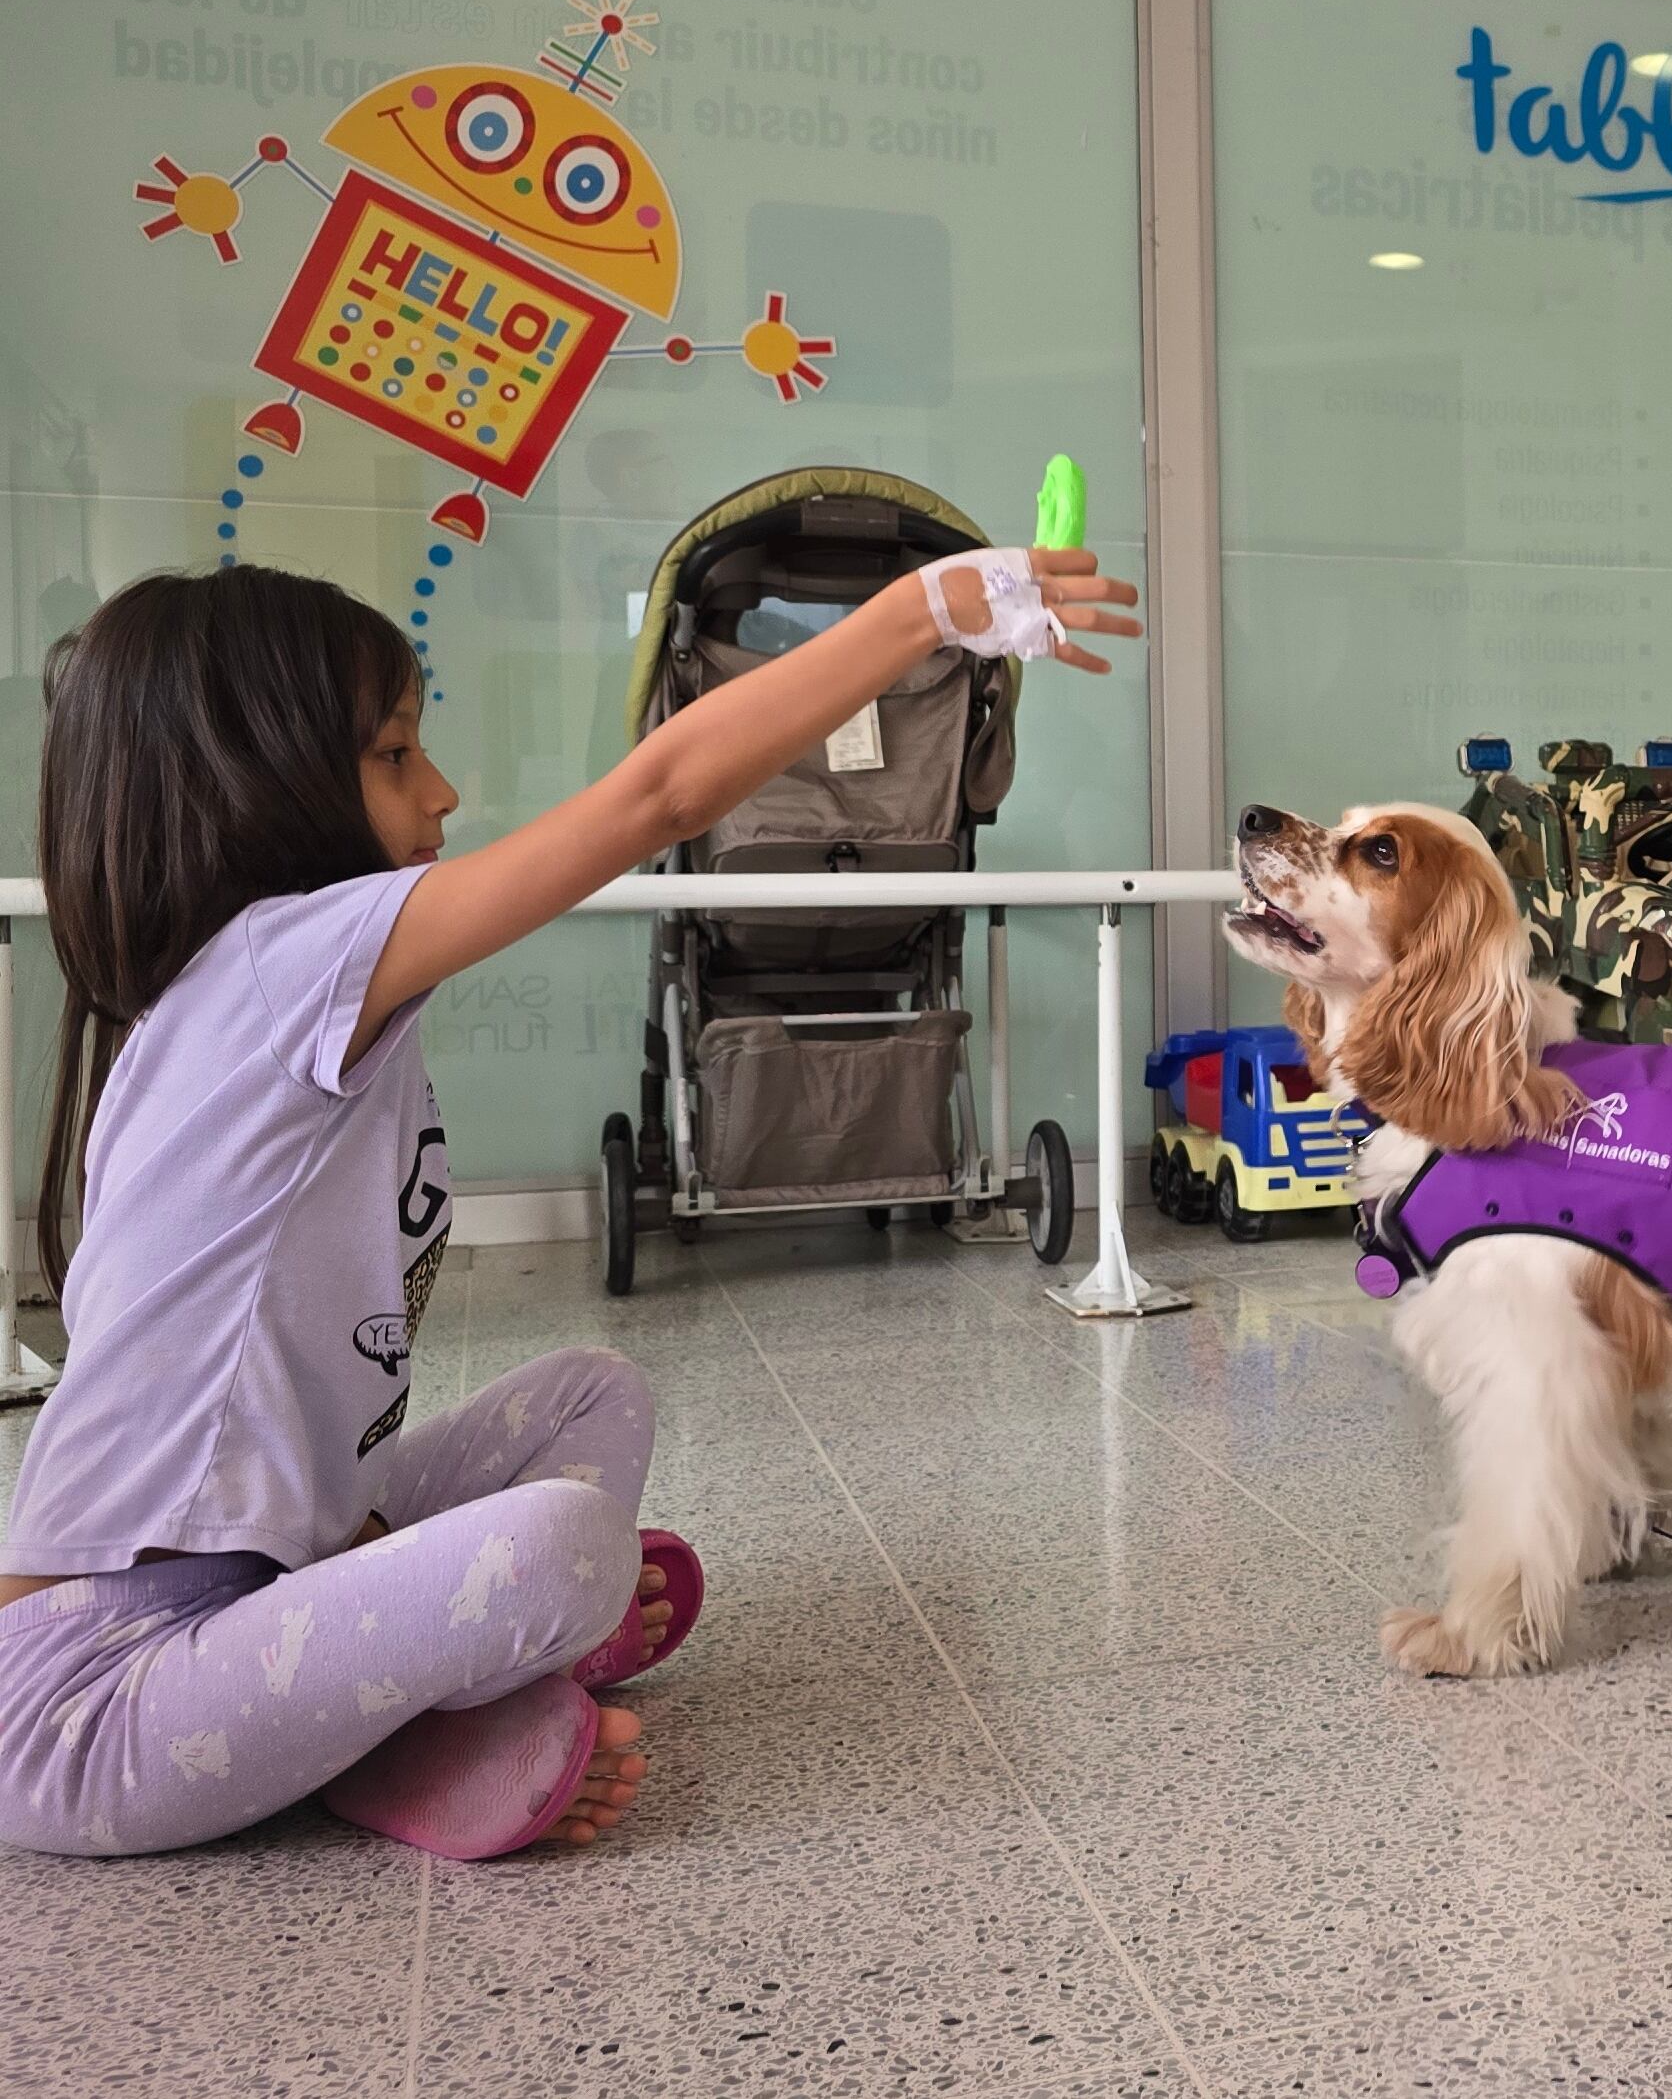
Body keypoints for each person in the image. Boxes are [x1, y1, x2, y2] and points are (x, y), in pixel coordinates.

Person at [0, 541, 1135, 1858]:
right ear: (253, 792)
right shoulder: (279, 968)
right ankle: (393, 1729)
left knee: (597, 1393)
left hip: (275, 1576)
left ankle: (400, 1700)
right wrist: (917, 613)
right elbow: (658, 795)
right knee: (565, 1552)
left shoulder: (266, 991)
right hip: (92, 1700)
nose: (442, 789)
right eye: (394, 755)